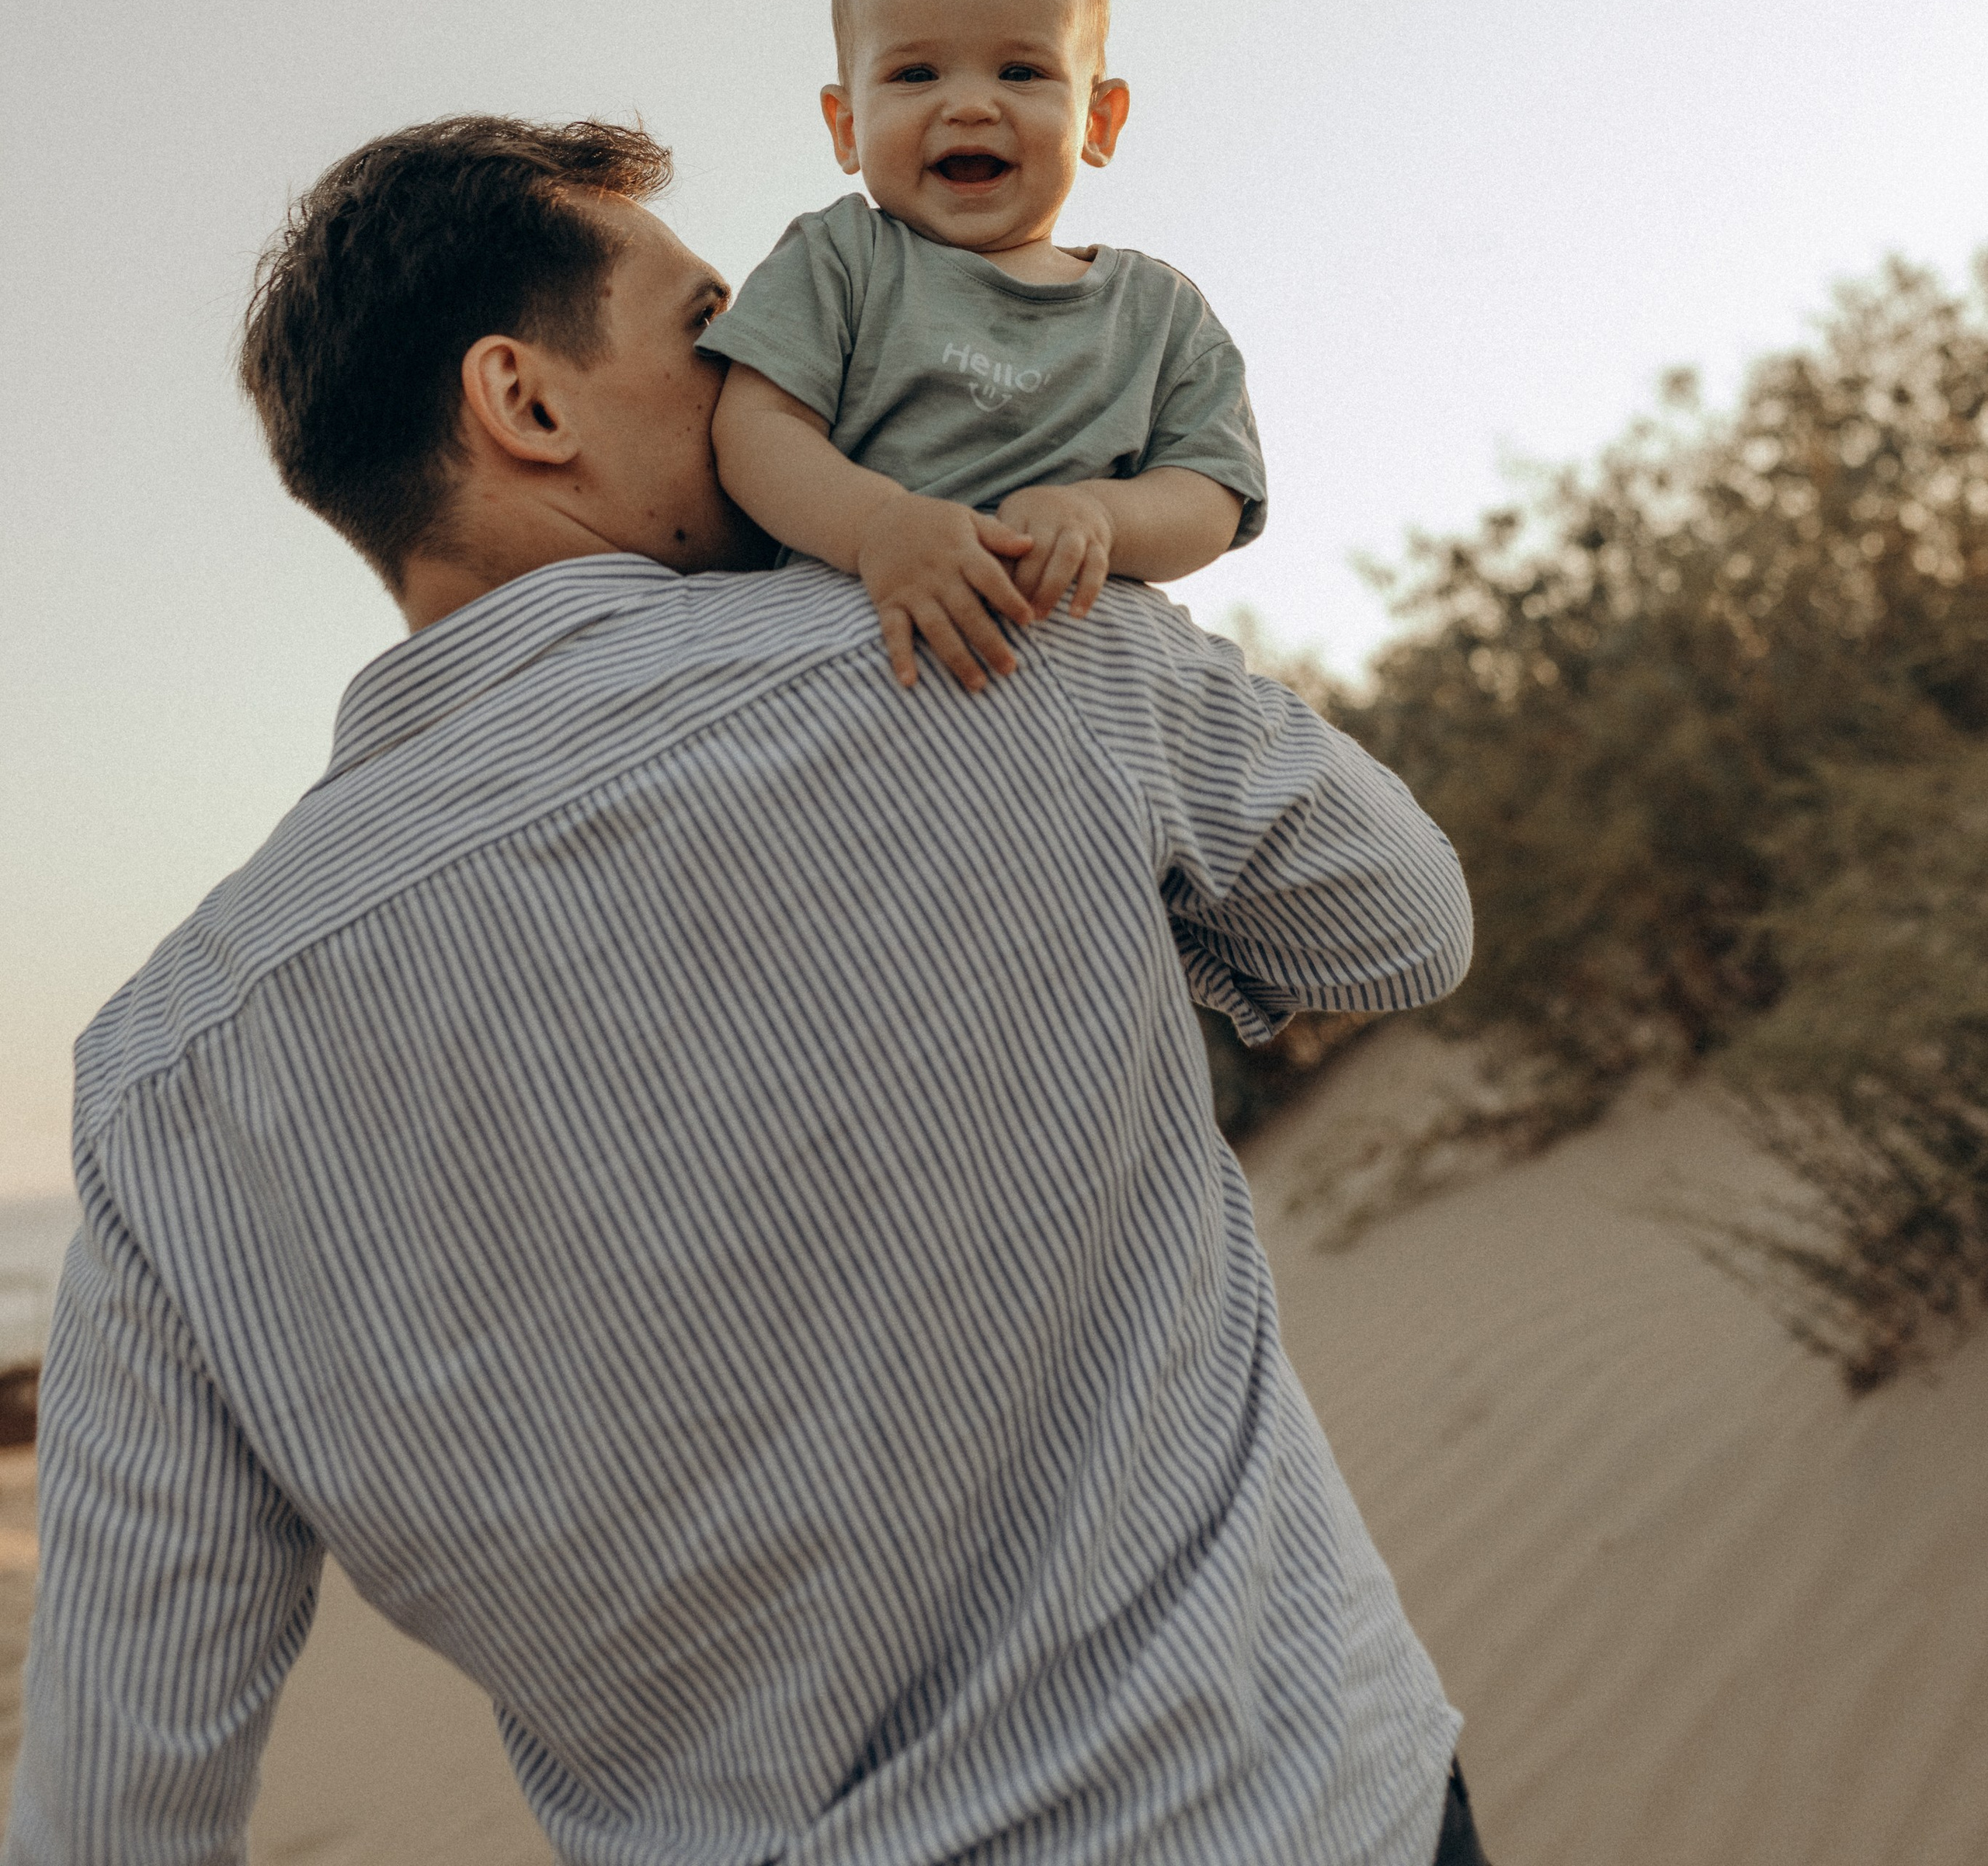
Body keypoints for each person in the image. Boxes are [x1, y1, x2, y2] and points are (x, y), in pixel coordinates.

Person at [5, 113, 1490, 1866]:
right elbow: (1400, 925)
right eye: (716, 327)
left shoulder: (165, 1076)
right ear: (524, 403)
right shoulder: (1014, 646)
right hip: (1300, 1816)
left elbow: (114, 1804)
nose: (787, 368)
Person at [703, 0, 1266, 693]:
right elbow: (754, 431)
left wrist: (1103, 515)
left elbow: (1210, 491)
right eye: (915, 73)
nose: (969, 105)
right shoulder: (841, 257)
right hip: (862, 670)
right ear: (848, 127)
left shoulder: (1159, 315)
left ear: (1098, 120)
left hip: (1098, 681)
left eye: (1021, 71)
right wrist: (877, 526)